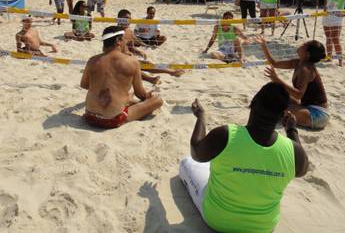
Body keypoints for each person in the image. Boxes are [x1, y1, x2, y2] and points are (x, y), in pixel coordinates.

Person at [179, 82, 309, 233]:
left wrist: (201, 117)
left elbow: (196, 153)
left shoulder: (225, 135)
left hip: (217, 220)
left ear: (252, 103)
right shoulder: (294, 151)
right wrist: (292, 130)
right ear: (282, 116)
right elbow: (302, 169)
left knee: (186, 162)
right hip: (263, 227)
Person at [81, 26, 163, 129]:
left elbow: (84, 85)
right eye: (125, 40)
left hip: (89, 116)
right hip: (112, 120)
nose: (126, 44)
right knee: (157, 100)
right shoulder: (132, 61)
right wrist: (148, 96)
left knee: (127, 95)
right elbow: (141, 94)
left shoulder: (92, 60)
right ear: (118, 41)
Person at [257, 36, 329, 129]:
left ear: (307, 54)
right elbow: (274, 63)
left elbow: (298, 95)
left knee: (277, 108)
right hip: (306, 107)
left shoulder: (306, 69)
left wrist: (276, 79)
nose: (301, 44)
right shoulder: (298, 62)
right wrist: (264, 47)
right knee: (275, 93)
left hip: (318, 115)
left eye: (304, 45)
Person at [117, 9, 184, 81]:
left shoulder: (129, 31)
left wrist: (138, 52)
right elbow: (113, 52)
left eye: (129, 19)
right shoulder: (115, 32)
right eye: (125, 19)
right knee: (134, 67)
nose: (128, 21)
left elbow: (130, 47)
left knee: (146, 63)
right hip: (119, 61)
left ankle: (170, 72)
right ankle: (151, 79)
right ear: (118, 19)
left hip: (132, 55)